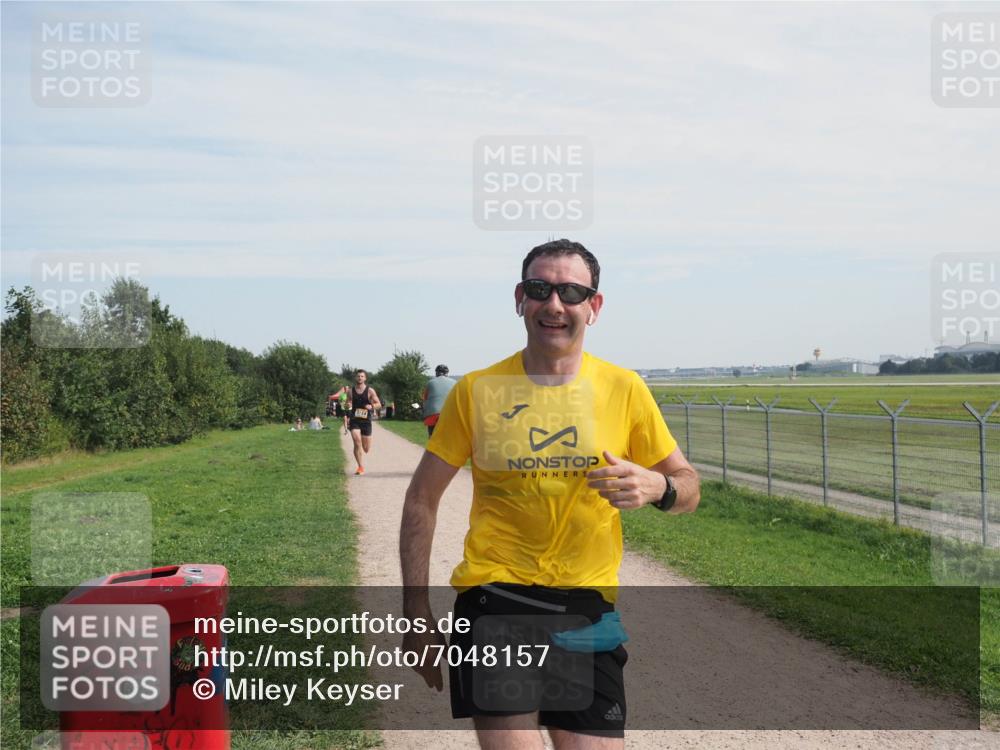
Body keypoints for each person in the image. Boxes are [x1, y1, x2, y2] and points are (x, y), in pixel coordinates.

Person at [399, 239, 700, 749]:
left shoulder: (624, 388)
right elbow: (421, 500)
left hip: (588, 608)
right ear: (520, 298)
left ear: (594, 306)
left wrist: (659, 487)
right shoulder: (478, 390)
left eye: (571, 291)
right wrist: (416, 613)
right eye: (540, 289)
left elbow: (690, 486)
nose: (554, 304)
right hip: (497, 602)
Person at [348, 369, 381, 475]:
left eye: (362, 376)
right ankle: (360, 467)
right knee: (357, 442)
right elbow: (347, 403)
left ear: (365, 378)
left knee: (366, 448)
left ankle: (362, 446)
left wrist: (371, 406)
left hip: (366, 421)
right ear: (355, 378)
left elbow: (379, 404)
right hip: (354, 419)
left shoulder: (370, 390)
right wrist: (347, 405)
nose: (360, 378)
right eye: (358, 376)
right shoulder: (350, 391)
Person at [422, 364, 457, 437]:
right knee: (450, 437)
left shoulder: (430, 382)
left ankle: (432, 442)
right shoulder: (455, 383)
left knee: (432, 437)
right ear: (447, 373)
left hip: (433, 414)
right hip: (450, 414)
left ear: (436, 373)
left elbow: (424, 398)